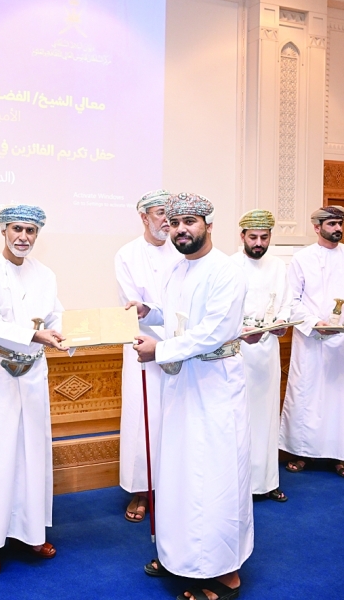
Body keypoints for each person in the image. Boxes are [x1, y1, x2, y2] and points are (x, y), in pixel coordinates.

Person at [130, 192, 252, 600]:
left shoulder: (227, 271)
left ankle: (222, 571)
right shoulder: (177, 270)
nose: (180, 230)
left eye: (190, 223)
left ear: (209, 226)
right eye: (175, 223)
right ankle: (178, 555)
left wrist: (159, 350)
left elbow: (214, 331)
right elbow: (178, 314)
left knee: (212, 475)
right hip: (181, 384)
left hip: (214, 385)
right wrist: (151, 313)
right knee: (179, 470)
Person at [0, 205, 68, 577]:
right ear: (3, 230)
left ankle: (31, 532)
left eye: (31, 231)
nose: (23, 236)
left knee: (33, 451)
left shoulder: (46, 274)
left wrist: (72, 337)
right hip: (0, 372)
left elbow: (57, 318)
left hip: (35, 370)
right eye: (17, 229)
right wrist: (33, 334)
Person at [279, 206, 344, 480]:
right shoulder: (301, 259)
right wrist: (314, 323)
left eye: (340, 223)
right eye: (332, 224)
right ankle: (300, 452)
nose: (338, 228)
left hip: (343, 340)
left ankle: (340, 454)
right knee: (306, 396)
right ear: (317, 227)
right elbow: (292, 301)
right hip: (311, 338)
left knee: (340, 399)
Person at [114, 189, 181, 523]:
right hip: (143, 347)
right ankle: (142, 490)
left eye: (171, 212)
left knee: (175, 418)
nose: (167, 220)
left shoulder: (183, 251)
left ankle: (173, 488)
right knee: (144, 419)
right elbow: (134, 307)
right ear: (143, 217)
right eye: (159, 213)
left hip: (182, 348)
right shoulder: (127, 254)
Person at [230, 209, 291, 503]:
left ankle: (267, 481)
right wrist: (240, 329)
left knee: (266, 416)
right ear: (241, 236)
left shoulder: (279, 267)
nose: (258, 243)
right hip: (237, 353)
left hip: (267, 352)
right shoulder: (228, 266)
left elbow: (288, 303)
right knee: (241, 418)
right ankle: (239, 485)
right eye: (252, 237)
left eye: (263, 237)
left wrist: (281, 325)